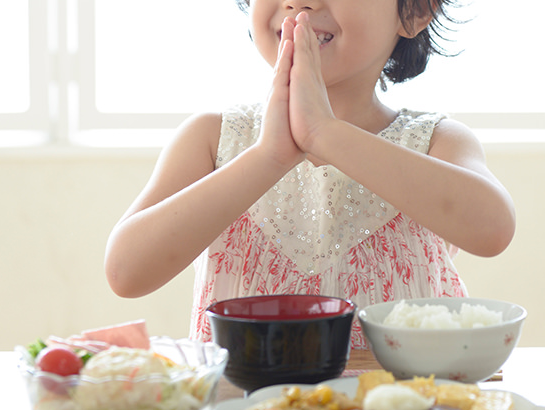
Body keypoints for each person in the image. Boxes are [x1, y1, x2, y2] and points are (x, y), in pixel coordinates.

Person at [104, 0, 516, 349]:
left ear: (415, 12)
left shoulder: (435, 140)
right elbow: (126, 272)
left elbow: (492, 229)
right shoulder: (213, 138)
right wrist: (268, 157)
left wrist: (325, 133)